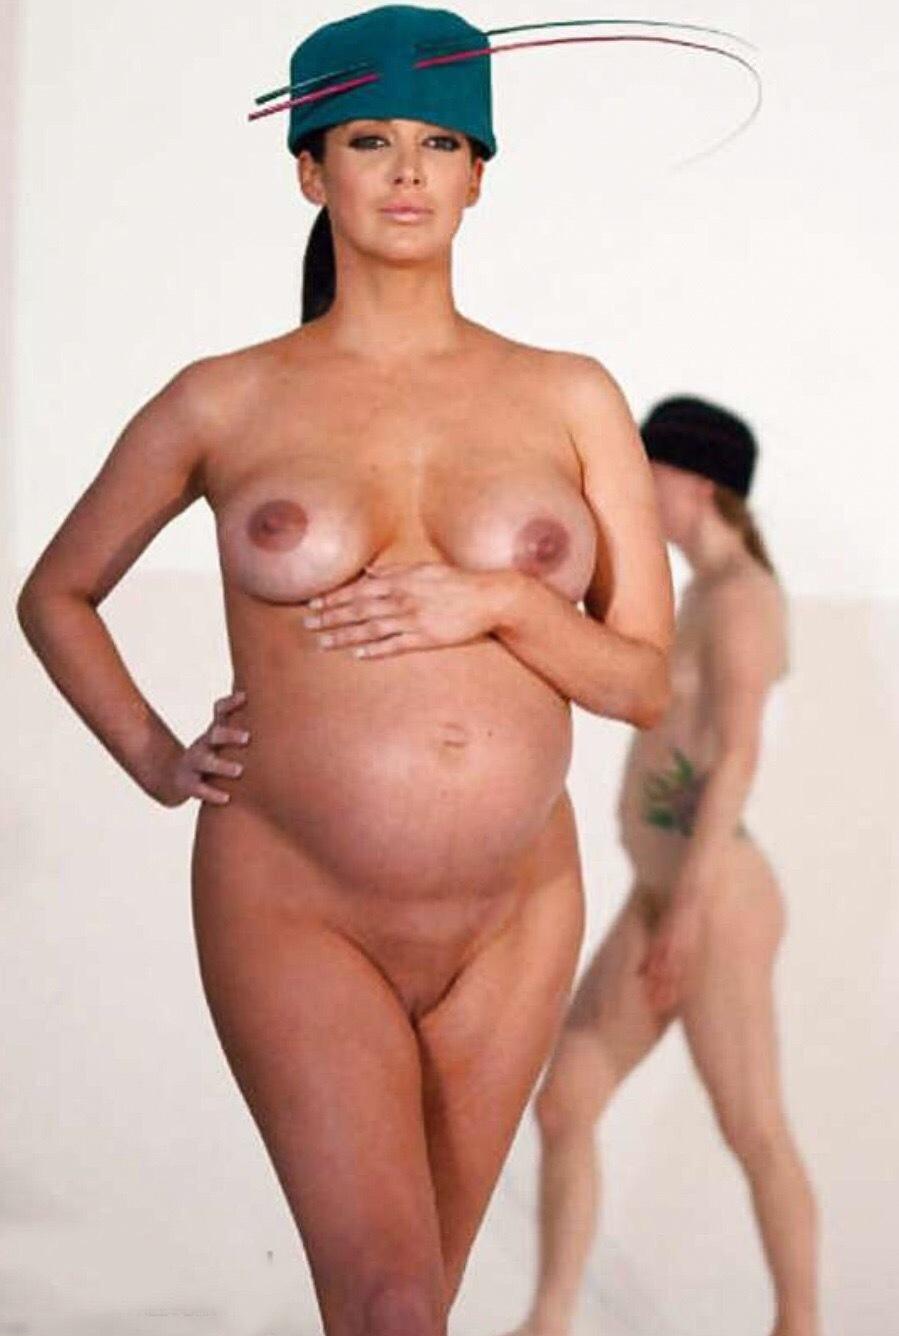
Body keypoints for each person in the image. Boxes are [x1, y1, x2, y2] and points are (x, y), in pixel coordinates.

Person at [14, 7, 674, 1334]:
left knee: (409, 1305)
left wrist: (498, 600)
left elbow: (644, 683)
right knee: (388, 1301)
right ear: (310, 170)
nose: (407, 170)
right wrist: (155, 757)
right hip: (293, 900)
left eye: (441, 142)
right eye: (368, 140)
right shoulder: (223, 397)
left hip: (516, 910)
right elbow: (56, 593)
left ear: (479, 174)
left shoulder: (570, 395)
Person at [506, 396, 819, 1336]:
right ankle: (549, 1321)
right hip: (664, 890)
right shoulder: (695, 595)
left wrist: (686, 908)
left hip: (713, 896)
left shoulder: (743, 599)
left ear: (700, 481)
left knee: (751, 1124)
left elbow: (738, 755)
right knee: (565, 1103)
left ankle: (799, 1322)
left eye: (650, 469)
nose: (636, 484)